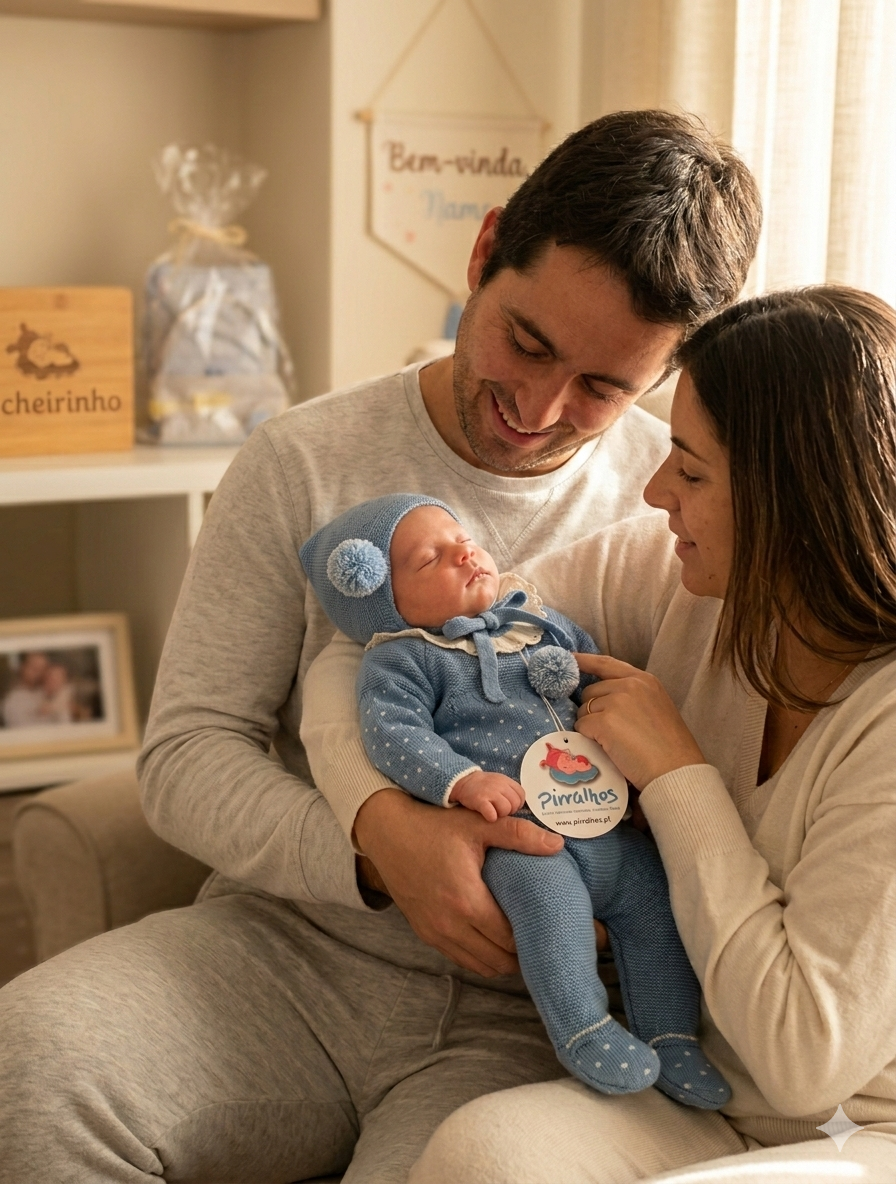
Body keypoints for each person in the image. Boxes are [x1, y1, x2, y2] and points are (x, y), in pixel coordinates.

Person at [0, 110, 761, 1184]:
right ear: (482, 248)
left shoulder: (676, 509)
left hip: (536, 1021)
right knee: (20, 1075)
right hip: (289, 957)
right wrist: (373, 846)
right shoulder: (300, 461)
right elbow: (187, 750)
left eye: (601, 387)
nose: (537, 409)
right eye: (526, 342)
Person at [369, 285, 895, 1182]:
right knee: (480, 1156)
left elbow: (805, 1062)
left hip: (855, 1132)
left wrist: (676, 777)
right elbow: (412, 641)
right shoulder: (686, 579)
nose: (654, 492)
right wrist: (384, 823)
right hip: (701, 1089)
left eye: (689, 471)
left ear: (792, 504)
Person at [300, 493, 730, 1105]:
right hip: (518, 834)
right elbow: (394, 735)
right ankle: (583, 1028)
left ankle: (672, 1036)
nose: (464, 553)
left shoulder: (539, 624)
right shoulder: (403, 659)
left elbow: (596, 694)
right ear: (382, 601)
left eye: (461, 538)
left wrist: (633, 779)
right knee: (550, 913)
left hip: (603, 824)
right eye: (432, 559)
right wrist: (461, 782)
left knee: (653, 902)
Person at [0, 651, 49, 728]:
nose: (39, 673)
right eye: (34, 668)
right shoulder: (12, 701)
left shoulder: (47, 691)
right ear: (22, 667)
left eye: (43, 669)